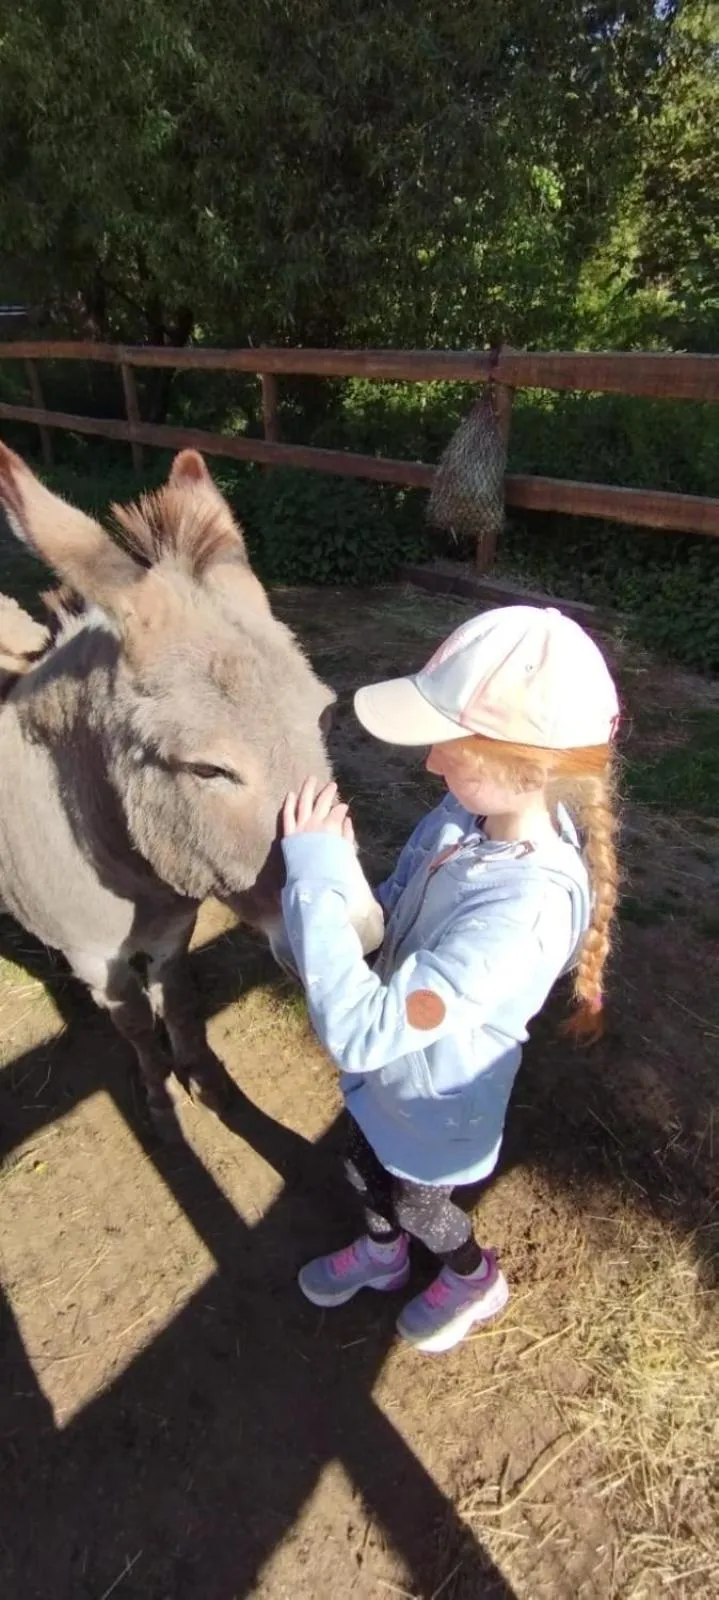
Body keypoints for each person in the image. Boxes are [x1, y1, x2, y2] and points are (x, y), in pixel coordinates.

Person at [280, 605, 620, 1354]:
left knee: (421, 1203)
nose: (431, 762)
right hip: (394, 1083)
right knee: (358, 1162)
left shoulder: (522, 912)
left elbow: (362, 1031)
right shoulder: (458, 818)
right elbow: (389, 925)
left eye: (451, 745)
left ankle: (469, 1276)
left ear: (525, 766)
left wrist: (311, 878)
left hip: (436, 1107)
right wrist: (342, 881)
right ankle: (379, 1255)